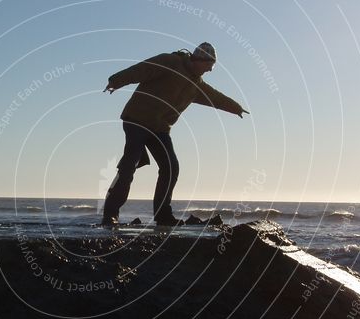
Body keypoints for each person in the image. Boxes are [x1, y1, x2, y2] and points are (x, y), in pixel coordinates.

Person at [101, 42, 249, 226]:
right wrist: (116, 80)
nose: (210, 70)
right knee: (129, 166)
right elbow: (142, 69)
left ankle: (163, 215)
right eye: (209, 65)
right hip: (137, 120)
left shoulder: (197, 85)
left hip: (160, 129)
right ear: (200, 59)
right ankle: (110, 215)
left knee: (171, 167)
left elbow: (216, 98)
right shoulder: (170, 61)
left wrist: (236, 108)